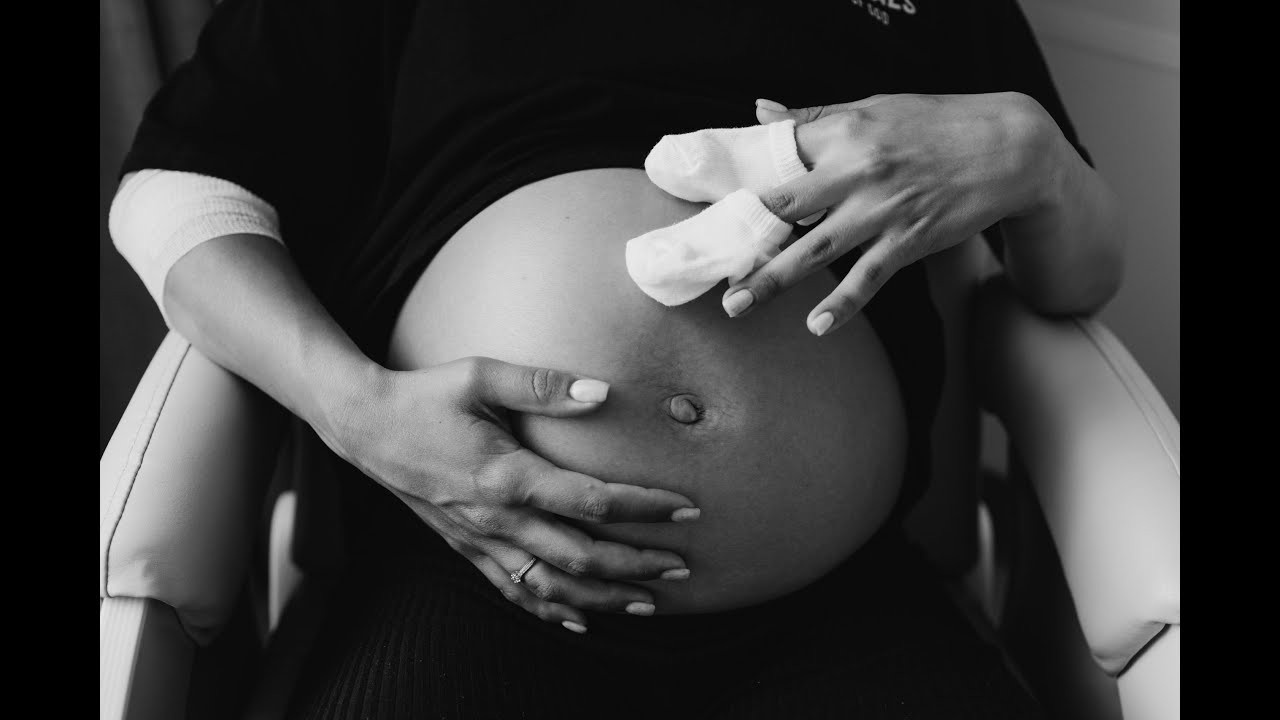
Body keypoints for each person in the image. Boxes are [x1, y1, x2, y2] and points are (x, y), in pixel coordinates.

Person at [108, 0, 1122, 717]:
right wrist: (353, 407)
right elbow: (178, 190)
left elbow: (1073, 277)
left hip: (838, 604)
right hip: (469, 569)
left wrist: (1030, 156)